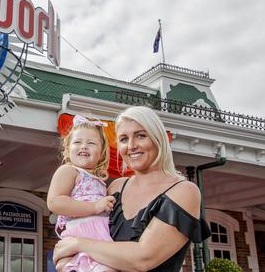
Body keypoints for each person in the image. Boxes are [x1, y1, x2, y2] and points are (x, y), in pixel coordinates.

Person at [53, 106, 211, 272]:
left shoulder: (184, 191)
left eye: (140, 136)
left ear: (158, 139)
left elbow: (143, 258)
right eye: (123, 139)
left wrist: (77, 244)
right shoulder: (115, 187)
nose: (131, 145)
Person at [47, 114, 118, 272]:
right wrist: (94, 207)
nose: (84, 146)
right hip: (81, 233)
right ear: (68, 148)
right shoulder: (69, 171)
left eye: (91, 143)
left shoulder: (99, 181)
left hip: (100, 237)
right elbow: (54, 202)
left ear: (102, 152)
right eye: (77, 142)